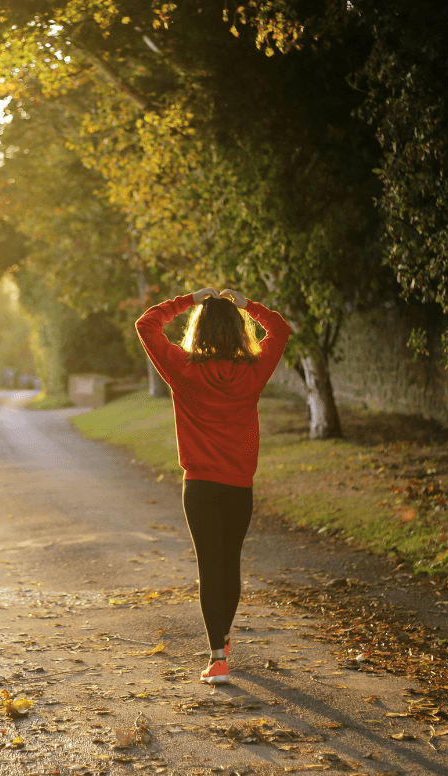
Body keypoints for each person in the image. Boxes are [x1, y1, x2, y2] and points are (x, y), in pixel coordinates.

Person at [135, 287, 291, 684]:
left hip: (200, 486)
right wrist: (247, 305)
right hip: (239, 485)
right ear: (239, 331)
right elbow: (281, 328)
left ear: (198, 331)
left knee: (210, 567)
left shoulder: (182, 369)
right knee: (230, 564)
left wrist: (188, 299)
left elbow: (146, 324)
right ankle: (220, 640)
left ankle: (218, 657)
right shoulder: (254, 371)